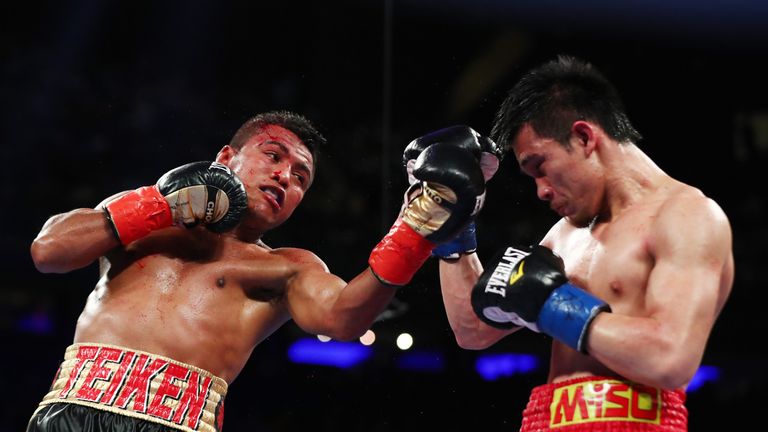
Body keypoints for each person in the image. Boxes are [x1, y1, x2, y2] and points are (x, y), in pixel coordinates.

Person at [27, 110, 489, 432]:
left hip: (179, 422)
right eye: (274, 156)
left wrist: (414, 231)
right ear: (226, 157)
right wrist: (160, 206)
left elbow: (344, 318)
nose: (286, 176)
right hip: (72, 407)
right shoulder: (143, 217)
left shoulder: (286, 266)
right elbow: (48, 251)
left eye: (302, 177)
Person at [435, 56, 734, 431]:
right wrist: (453, 230)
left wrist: (552, 305)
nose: (541, 191)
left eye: (540, 166)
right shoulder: (564, 234)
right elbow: (473, 331)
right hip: (544, 419)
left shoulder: (688, 216)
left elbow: (669, 358)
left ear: (583, 137)